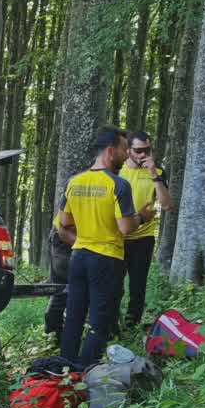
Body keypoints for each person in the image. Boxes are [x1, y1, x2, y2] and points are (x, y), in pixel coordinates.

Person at [54, 126, 144, 371]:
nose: (127, 155)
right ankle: (86, 373)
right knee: (99, 321)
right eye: (125, 150)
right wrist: (142, 217)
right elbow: (126, 227)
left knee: (73, 316)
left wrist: (85, 237)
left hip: (79, 256)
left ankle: (65, 370)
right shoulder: (118, 185)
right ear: (111, 151)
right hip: (107, 259)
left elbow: (63, 224)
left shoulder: (74, 182)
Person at [117, 133, 173, 328]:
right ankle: (112, 325)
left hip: (144, 237)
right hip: (118, 236)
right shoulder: (118, 170)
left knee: (137, 286)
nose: (143, 154)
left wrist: (154, 175)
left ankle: (132, 325)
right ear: (128, 151)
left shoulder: (157, 172)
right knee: (114, 285)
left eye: (147, 150)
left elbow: (166, 205)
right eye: (138, 150)